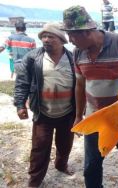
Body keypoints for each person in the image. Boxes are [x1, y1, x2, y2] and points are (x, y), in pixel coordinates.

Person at [62, 5, 118, 188]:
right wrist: (78, 116)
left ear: (86, 32)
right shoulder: (77, 52)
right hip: (95, 117)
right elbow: (80, 84)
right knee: (91, 165)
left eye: (72, 35)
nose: (70, 40)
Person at [13, 23, 76, 188]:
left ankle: (61, 165)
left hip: (67, 113)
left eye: (51, 36)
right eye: (43, 37)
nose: (46, 40)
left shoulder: (72, 59)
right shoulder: (33, 58)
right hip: (43, 113)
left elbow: (82, 86)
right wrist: (20, 104)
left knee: (65, 144)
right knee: (39, 148)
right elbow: (22, 83)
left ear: (62, 40)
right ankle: (35, 180)